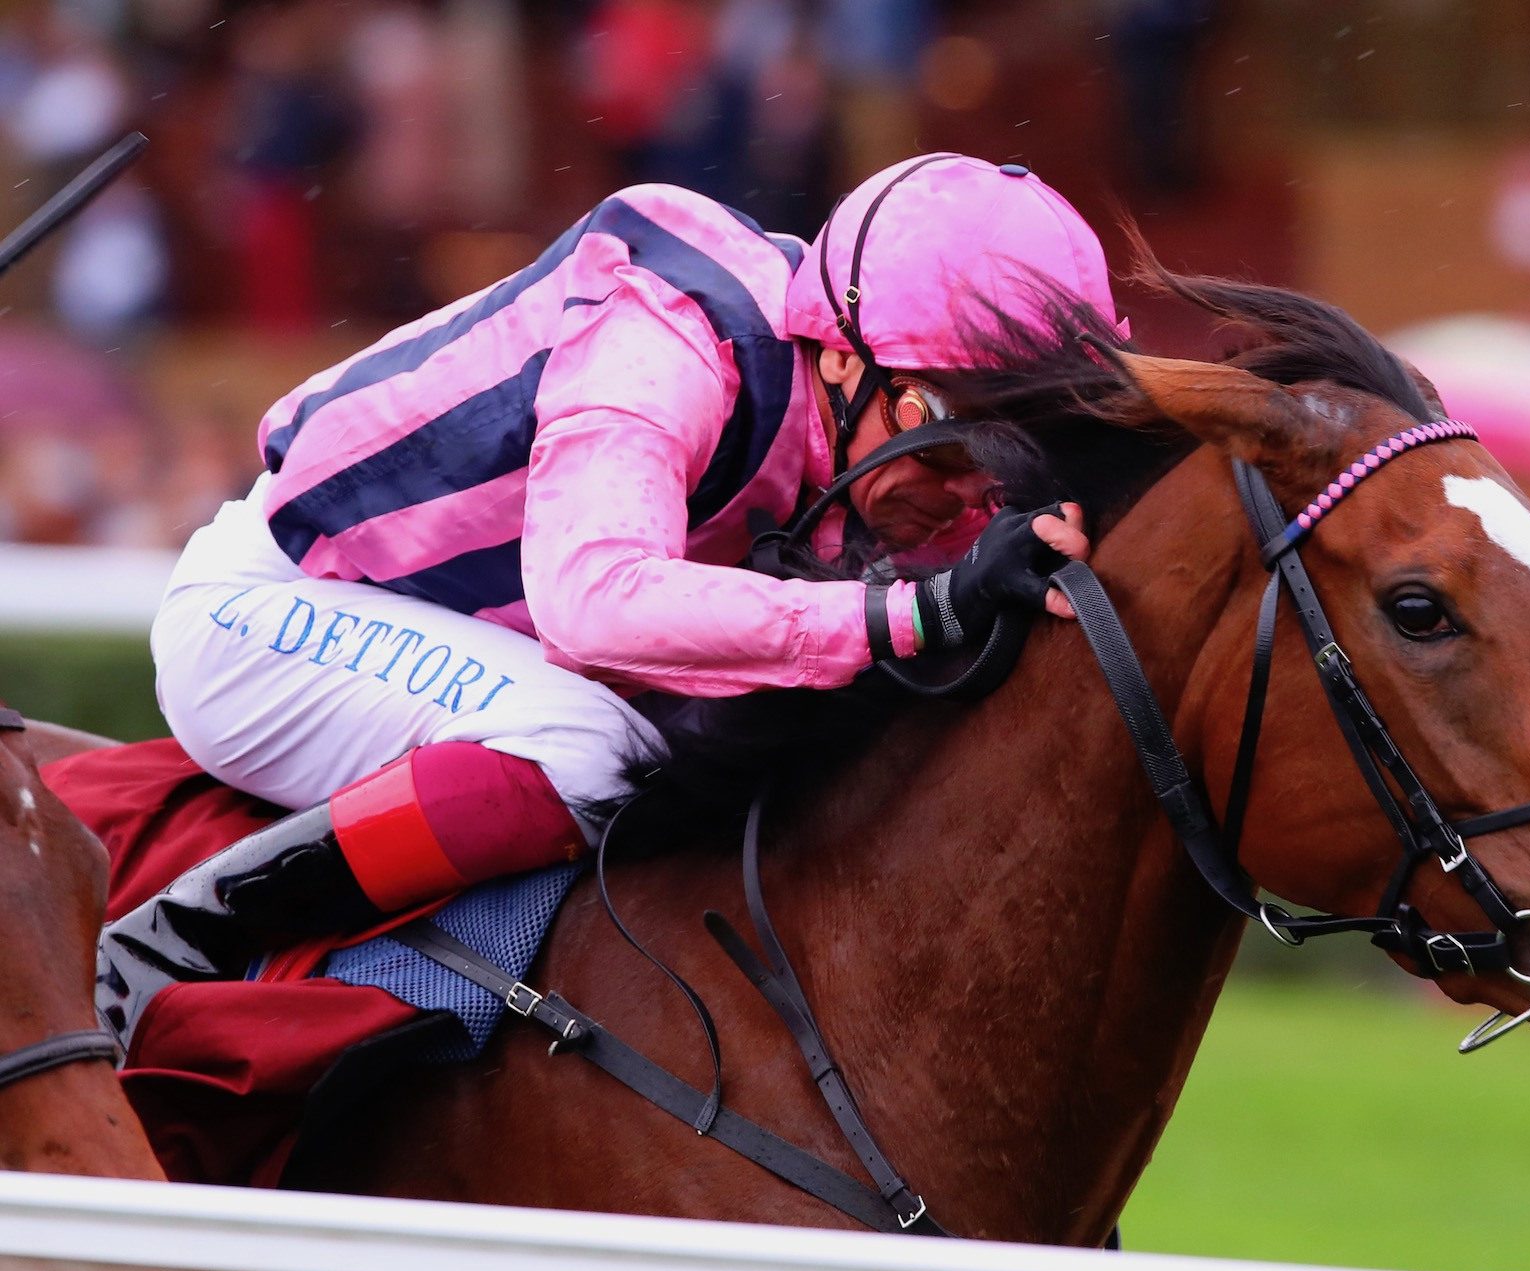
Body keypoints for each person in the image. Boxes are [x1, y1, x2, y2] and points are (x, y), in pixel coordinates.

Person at [97, 153, 1122, 1050]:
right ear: (845, 355)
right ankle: (184, 931)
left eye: (1013, 456)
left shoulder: (866, 413)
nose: (972, 494)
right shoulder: (669, 332)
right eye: (959, 444)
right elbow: (597, 600)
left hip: (467, 640)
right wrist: (909, 614)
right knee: (592, 745)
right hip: (270, 613)